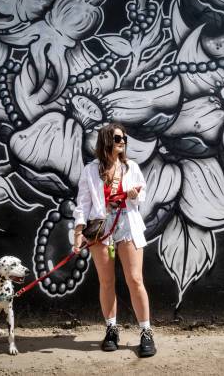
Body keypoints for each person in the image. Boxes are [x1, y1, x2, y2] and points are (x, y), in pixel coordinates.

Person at [72, 123, 156, 358]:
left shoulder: (131, 167)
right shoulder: (90, 171)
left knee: (135, 279)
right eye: (118, 137)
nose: (123, 141)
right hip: (101, 229)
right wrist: (78, 233)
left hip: (127, 224)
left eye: (124, 138)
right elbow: (83, 204)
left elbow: (143, 195)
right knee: (106, 281)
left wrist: (134, 195)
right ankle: (111, 329)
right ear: (107, 140)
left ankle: (146, 332)